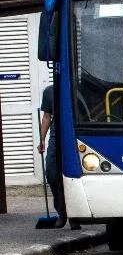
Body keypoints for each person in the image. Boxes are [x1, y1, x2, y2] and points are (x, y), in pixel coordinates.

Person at [37, 84, 80, 229]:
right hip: (56, 135)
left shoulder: (77, 87)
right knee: (52, 173)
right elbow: (46, 117)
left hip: (74, 133)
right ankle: (62, 212)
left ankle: (75, 215)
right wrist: (42, 139)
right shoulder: (49, 91)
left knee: (74, 175)